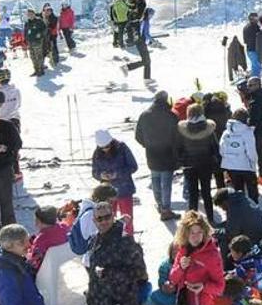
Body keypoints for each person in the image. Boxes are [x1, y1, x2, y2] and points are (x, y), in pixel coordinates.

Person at [85, 202, 149, 305]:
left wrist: (110, 273)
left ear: (113, 216)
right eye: (99, 218)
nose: (104, 221)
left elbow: (140, 273)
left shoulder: (126, 241)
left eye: (107, 217)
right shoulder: (94, 240)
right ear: (94, 220)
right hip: (96, 304)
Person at [169, 210, 226, 305]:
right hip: (184, 304)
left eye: (199, 232)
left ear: (204, 232)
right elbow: (173, 279)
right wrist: (181, 267)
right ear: (185, 234)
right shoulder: (182, 250)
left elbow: (220, 287)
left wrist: (203, 287)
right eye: (192, 233)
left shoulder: (212, 254)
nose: (196, 237)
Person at [136, 91, 180, 221]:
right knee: (166, 183)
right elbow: (177, 136)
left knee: (155, 180)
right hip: (168, 154)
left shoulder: (145, 115)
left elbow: (138, 135)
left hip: (152, 154)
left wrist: (147, 144)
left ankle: (160, 205)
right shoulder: (171, 115)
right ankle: (166, 210)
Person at [92, 130, 139, 236]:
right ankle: (110, 239)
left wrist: (117, 174)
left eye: (107, 146)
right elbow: (94, 172)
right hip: (107, 192)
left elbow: (133, 166)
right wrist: (101, 175)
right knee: (107, 220)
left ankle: (129, 239)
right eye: (102, 148)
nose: (105, 149)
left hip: (124, 189)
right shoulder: (97, 153)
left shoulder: (122, 148)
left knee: (127, 218)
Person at [178, 104, 220, 221]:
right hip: (205, 164)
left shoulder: (183, 129)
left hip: (189, 165)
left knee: (193, 195)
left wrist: (182, 160)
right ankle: (211, 218)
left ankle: (192, 220)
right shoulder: (208, 128)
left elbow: (179, 148)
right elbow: (215, 147)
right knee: (206, 193)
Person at [221, 109, 259, 204]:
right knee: (252, 193)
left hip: (231, 167)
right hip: (247, 167)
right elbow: (251, 152)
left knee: (239, 192)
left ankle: (242, 211)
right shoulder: (247, 132)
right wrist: (254, 162)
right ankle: (254, 212)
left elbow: (221, 150)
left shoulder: (226, 133)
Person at [228, 235, 262, 302]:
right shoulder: (258, 257)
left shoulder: (247, 267)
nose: (231, 254)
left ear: (240, 253)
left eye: (232, 252)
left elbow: (239, 281)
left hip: (259, 300)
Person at [28, 206, 69, 272]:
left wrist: (27, 253)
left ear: (38, 221)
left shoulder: (40, 240)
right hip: (65, 264)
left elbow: (34, 263)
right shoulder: (65, 227)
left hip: (47, 272)